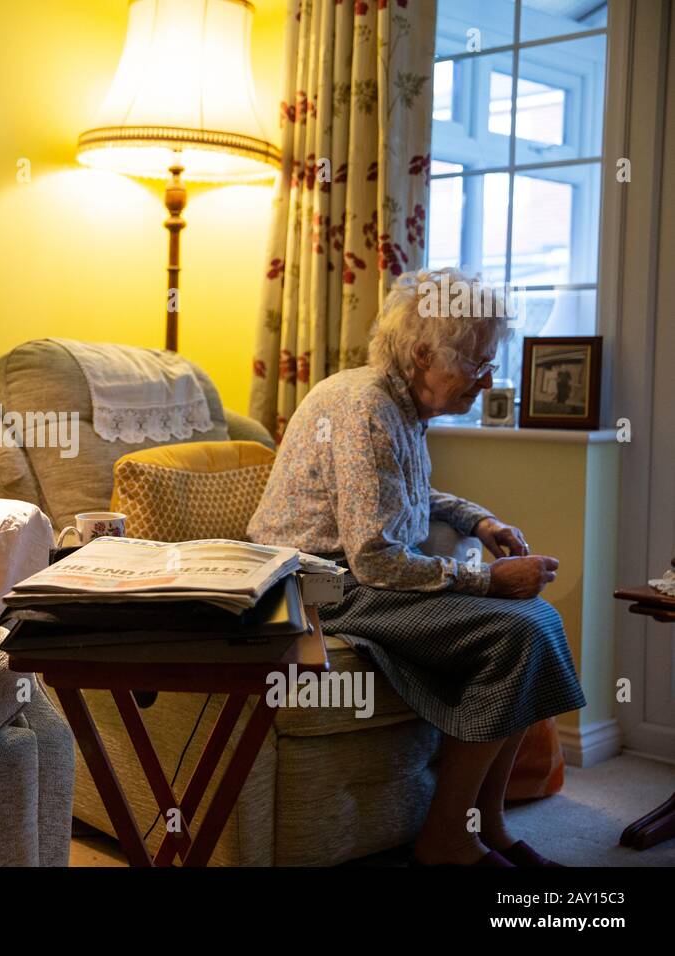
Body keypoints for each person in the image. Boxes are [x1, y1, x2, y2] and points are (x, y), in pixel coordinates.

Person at [247, 267, 586, 868]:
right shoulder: (363, 409)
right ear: (424, 353)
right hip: (313, 587)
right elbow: (375, 558)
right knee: (518, 631)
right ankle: (448, 839)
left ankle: (491, 823)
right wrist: (486, 579)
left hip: (352, 577)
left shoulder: (399, 403)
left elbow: (411, 494)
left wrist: (479, 522)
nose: (486, 380)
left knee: (537, 618)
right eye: (476, 363)